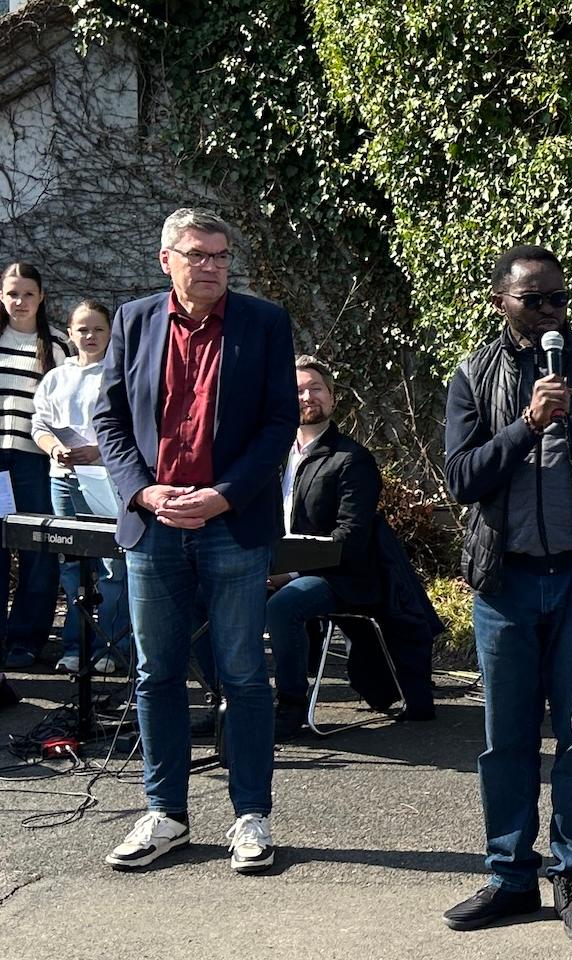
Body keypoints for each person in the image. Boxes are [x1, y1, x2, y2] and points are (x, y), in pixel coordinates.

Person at [441, 245, 572, 943]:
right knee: (505, 741)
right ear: (500, 299)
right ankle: (509, 877)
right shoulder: (474, 375)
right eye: (537, 301)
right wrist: (527, 424)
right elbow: (465, 477)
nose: (553, 312)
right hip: (505, 585)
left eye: (561, 299)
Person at [94, 208, 298, 875]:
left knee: (241, 673)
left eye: (220, 255)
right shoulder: (133, 320)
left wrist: (224, 494)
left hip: (230, 525)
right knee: (156, 675)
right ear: (166, 260)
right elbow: (111, 418)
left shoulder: (263, 322)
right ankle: (166, 815)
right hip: (153, 525)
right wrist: (144, 491)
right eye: (196, 254)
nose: (209, 265)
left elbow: (277, 425)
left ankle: (250, 816)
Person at [264, 355, 384, 741]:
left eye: (316, 388)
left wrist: (291, 573)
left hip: (335, 576)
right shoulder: (272, 455)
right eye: (297, 390)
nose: (306, 396)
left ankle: (291, 705)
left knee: (283, 606)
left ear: (332, 399)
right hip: (270, 565)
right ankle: (229, 700)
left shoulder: (351, 460)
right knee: (202, 592)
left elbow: (350, 538)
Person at [33, 299, 132, 675]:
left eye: (98, 329)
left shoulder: (117, 373)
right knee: (73, 567)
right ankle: (74, 646)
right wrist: (55, 448)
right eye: (83, 329)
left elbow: (132, 427)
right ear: (70, 333)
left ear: (110, 333)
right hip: (64, 481)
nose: (90, 336)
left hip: (107, 479)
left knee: (111, 566)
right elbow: (39, 425)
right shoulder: (56, 377)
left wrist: (98, 450)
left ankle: (112, 646)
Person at [0, 262, 72, 671]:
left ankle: (26, 640)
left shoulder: (58, 345)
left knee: (38, 551)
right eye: (12, 293)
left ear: (41, 296)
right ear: (1, 296)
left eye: (28, 293)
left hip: (34, 460)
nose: (20, 301)